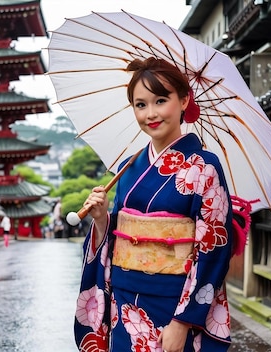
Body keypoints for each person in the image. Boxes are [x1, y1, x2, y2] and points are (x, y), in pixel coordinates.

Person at [73, 57, 235, 352]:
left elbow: (213, 249)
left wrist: (183, 322)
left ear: (184, 100)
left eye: (161, 100)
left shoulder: (204, 167)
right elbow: (117, 235)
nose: (151, 113)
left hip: (173, 305)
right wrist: (101, 220)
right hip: (124, 302)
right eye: (140, 104)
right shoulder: (128, 167)